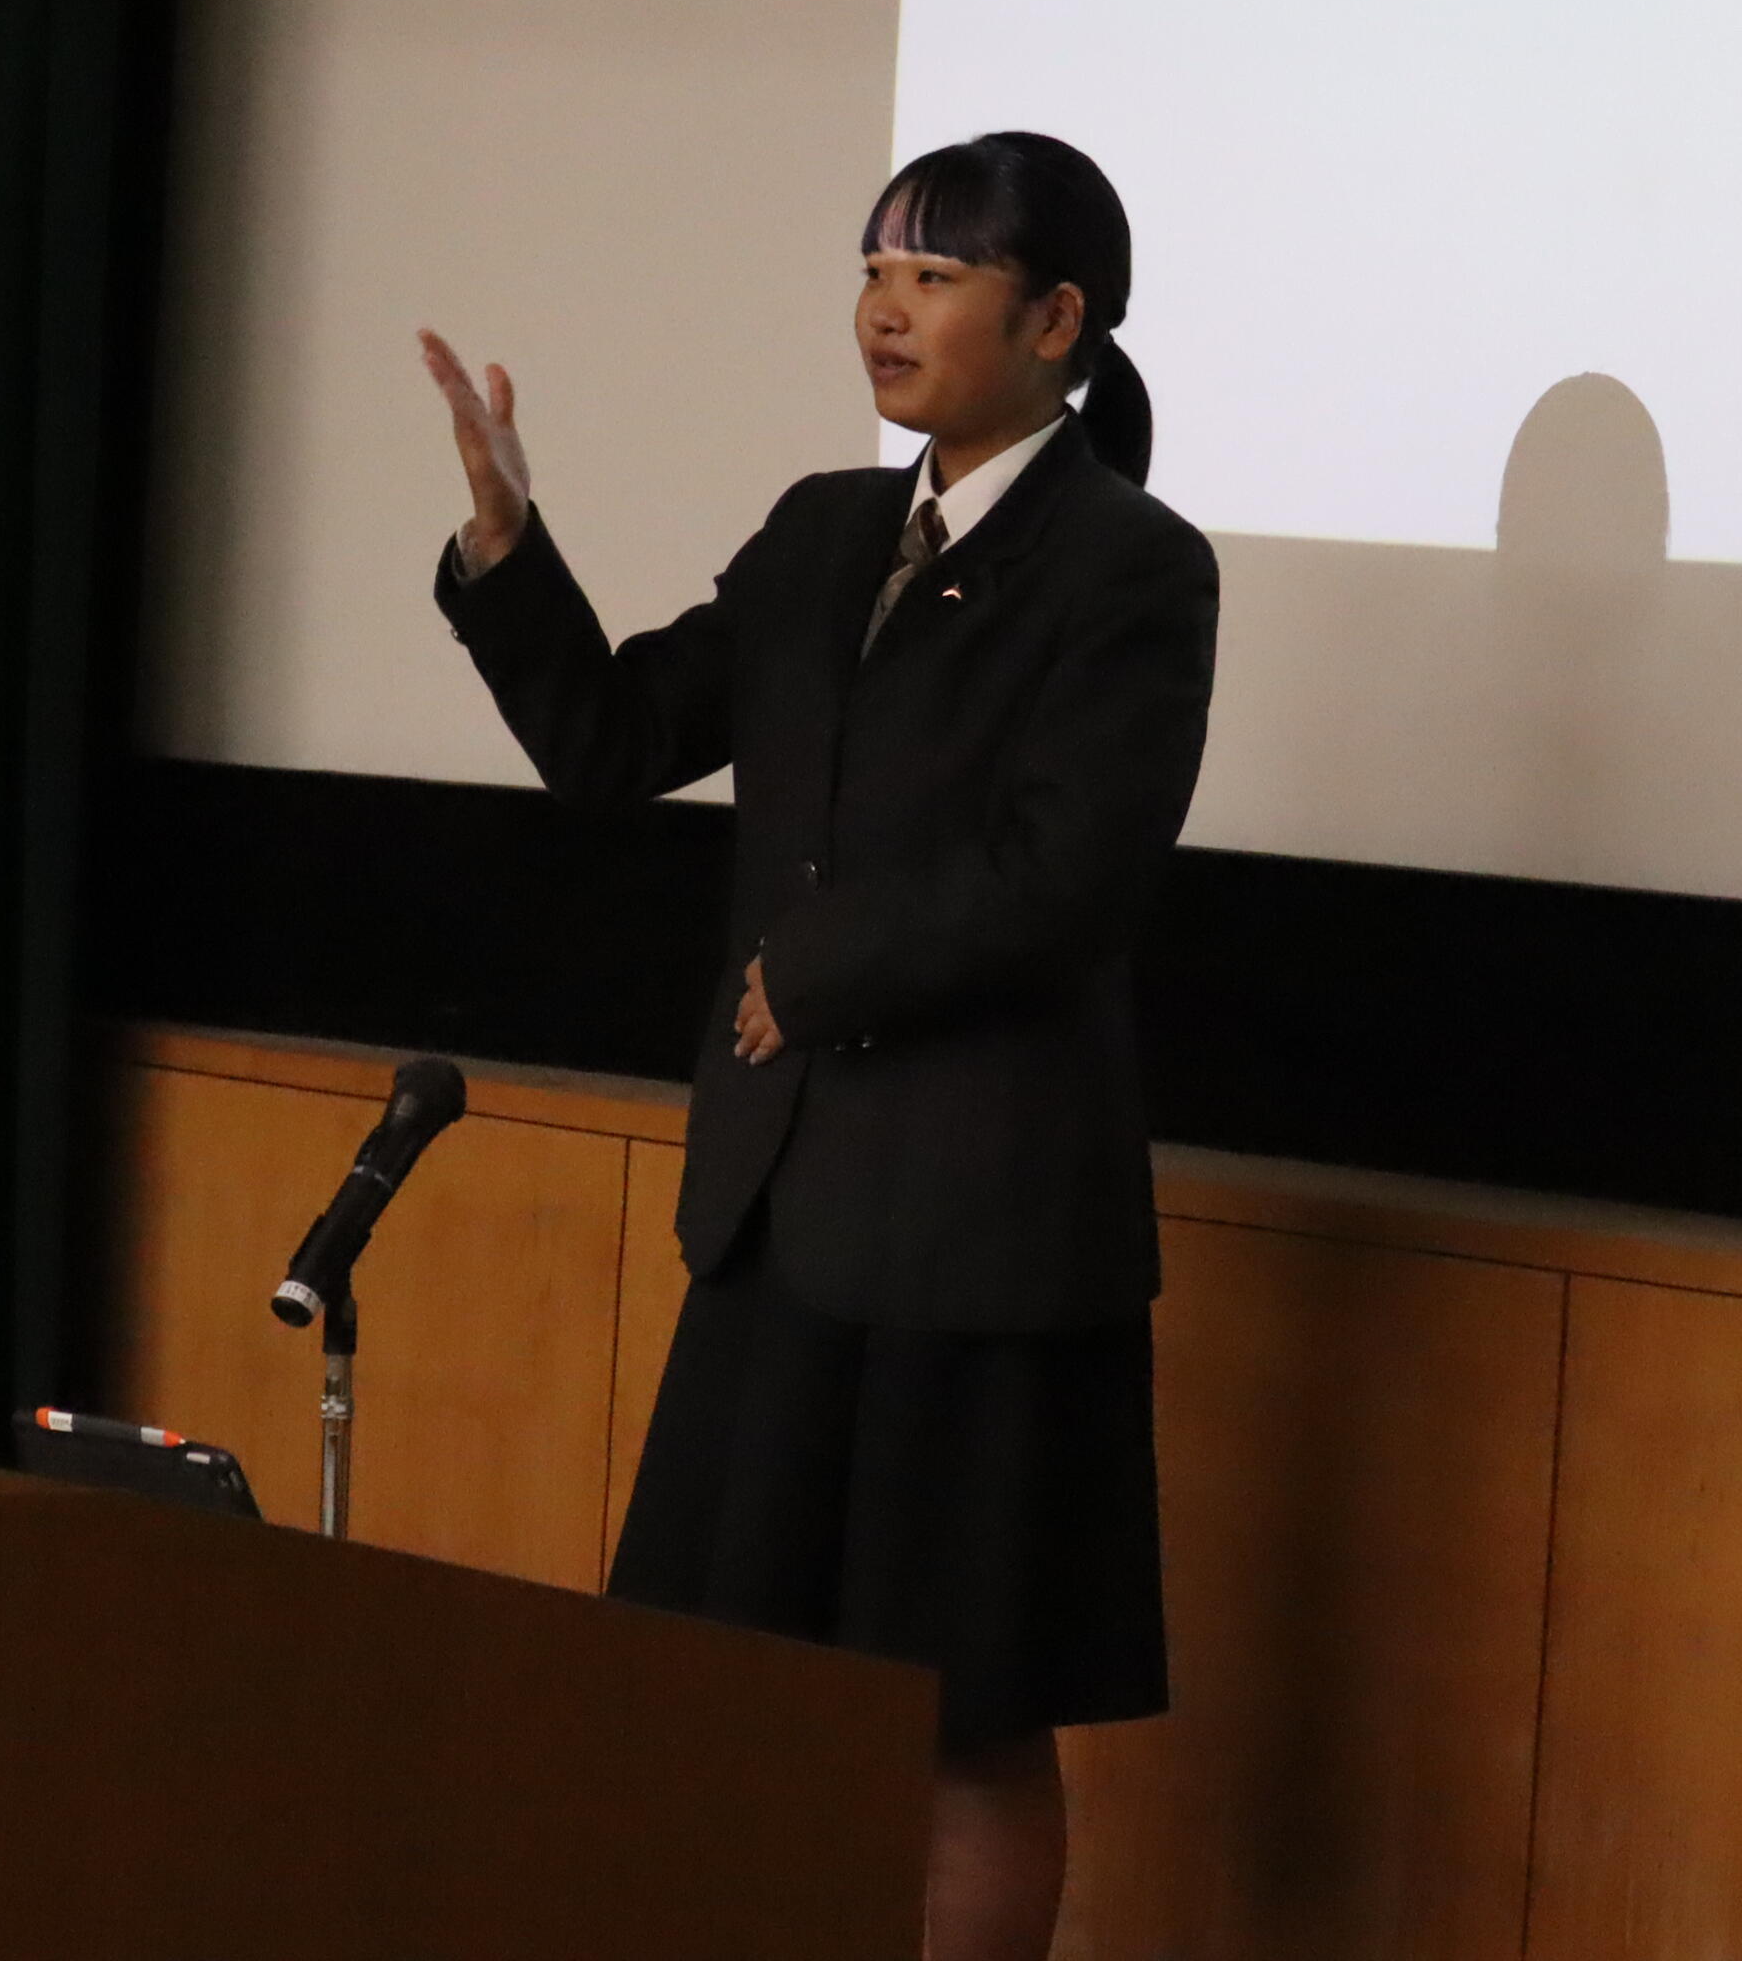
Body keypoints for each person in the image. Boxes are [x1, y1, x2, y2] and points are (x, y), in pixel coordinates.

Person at [420, 131, 1217, 1961]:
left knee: (966, 1720)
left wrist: (819, 968)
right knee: (726, 1686)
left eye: (934, 275)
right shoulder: (824, 530)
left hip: (982, 1236)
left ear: (1058, 320)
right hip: (784, 1214)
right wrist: (506, 543)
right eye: (873, 269)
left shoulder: (1130, 564)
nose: (884, 308)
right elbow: (615, 739)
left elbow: (1072, 874)